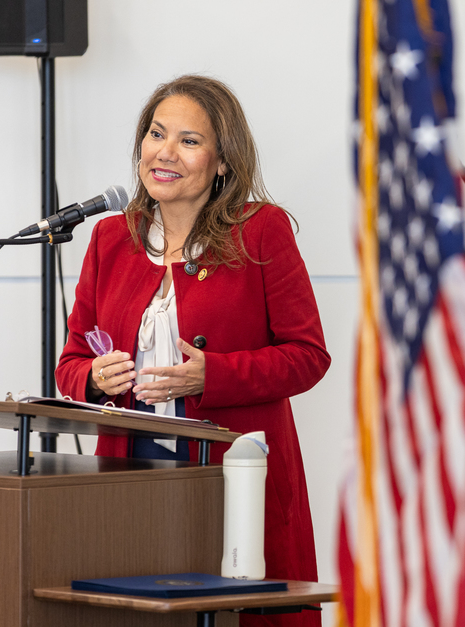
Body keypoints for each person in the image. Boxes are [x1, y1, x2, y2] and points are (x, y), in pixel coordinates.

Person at [56, 75, 330, 627]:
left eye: (189, 140)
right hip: (132, 474)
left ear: (222, 160)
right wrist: (94, 377)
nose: (165, 152)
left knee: (233, 614)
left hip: (233, 474)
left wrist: (213, 375)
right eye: (156, 134)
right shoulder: (110, 238)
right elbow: (70, 365)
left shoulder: (261, 231)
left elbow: (307, 354)